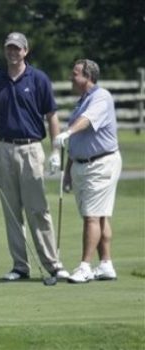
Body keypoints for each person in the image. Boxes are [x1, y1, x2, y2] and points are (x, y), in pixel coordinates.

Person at [0, 32, 69, 281]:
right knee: (11, 211)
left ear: (25, 51)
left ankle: (52, 264)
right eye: (9, 48)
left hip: (31, 149)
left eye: (17, 48)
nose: (13, 52)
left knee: (38, 209)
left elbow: (52, 116)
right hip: (4, 149)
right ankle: (20, 266)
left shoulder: (38, 78)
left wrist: (56, 151)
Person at [54, 59, 122, 283]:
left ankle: (85, 266)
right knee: (100, 215)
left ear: (88, 77)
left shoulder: (101, 97)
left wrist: (67, 132)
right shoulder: (83, 100)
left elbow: (86, 122)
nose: (71, 78)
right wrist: (67, 171)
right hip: (83, 164)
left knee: (91, 217)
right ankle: (105, 264)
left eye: (75, 74)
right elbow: (78, 141)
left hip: (101, 163)